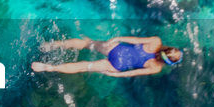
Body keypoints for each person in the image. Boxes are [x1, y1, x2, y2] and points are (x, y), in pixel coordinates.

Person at [30, 35, 183, 78]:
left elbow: (135, 40)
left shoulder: (156, 41)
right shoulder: (155, 68)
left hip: (117, 48)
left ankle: (54, 45)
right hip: (118, 65)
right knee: (84, 66)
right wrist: (115, 74)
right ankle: (49, 67)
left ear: (167, 48)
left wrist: (117, 39)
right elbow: (134, 72)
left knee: (87, 43)